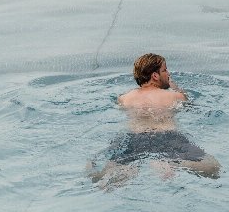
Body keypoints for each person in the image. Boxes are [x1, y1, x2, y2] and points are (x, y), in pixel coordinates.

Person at [88, 53, 220, 187]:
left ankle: (127, 171)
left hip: (133, 139)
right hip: (167, 137)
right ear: (155, 76)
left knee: (102, 175)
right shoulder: (174, 96)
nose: (168, 74)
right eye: (164, 70)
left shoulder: (124, 98)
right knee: (213, 168)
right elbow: (191, 108)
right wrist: (175, 88)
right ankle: (172, 163)